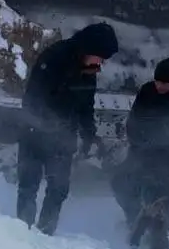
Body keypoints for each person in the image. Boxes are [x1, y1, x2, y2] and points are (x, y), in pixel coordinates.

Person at [16, 22, 119, 235]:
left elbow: (85, 107)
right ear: (90, 48)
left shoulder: (89, 70)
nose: (101, 64)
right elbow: (33, 99)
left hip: (62, 139)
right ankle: (22, 233)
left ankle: (45, 233)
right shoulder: (54, 58)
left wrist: (89, 135)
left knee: (59, 189)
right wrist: (47, 125)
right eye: (101, 57)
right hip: (34, 133)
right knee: (29, 184)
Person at [110, 57, 169, 249]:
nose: (158, 86)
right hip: (141, 151)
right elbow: (133, 121)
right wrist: (137, 143)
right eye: (157, 81)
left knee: (160, 199)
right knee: (120, 182)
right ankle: (136, 221)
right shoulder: (147, 91)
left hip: (168, 159)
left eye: (164, 83)